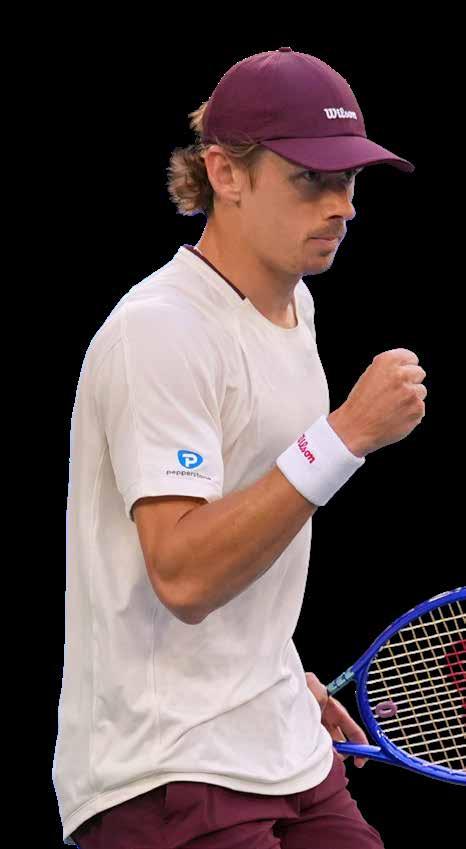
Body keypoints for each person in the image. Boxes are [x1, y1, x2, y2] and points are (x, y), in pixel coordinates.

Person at [53, 48, 426, 847]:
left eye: (348, 180)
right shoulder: (160, 331)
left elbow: (248, 523)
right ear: (225, 173)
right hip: (165, 766)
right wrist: (346, 434)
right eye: (310, 179)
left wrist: (275, 667)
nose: (342, 205)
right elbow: (184, 573)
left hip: (279, 736)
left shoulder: (296, 311)